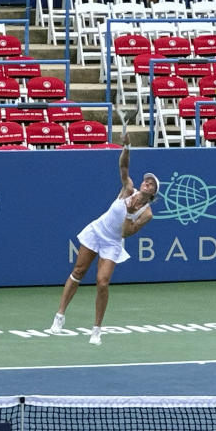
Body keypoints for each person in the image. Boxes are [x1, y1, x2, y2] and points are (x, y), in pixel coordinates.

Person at [48, 131, 160, 345]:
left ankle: (97, 329)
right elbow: (124, 167)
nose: (146, 183)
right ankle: (59, 316)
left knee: (102, 282)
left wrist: (128, 212)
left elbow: (126, 232)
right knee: (78, 271)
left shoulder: (146, 213)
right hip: (97, 230)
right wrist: (127, 147)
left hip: (113, 242)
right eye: (146, 181)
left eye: (151, 184)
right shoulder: (128, 189)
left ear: (153, 193)